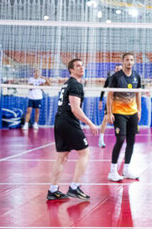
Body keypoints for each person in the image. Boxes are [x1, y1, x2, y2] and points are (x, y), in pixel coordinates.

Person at [47, 59, 98, 201]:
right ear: (71, 70)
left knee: (62, 157)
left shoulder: (67, 84)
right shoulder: (75, 84)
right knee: (85, 153)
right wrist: (90, 123)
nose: (81, 68)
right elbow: (75, 109)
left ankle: (53, 190)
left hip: (60, 121)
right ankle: (74, 187)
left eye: (82, 66)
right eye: (78, 66)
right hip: (68, 121)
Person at [106, 53, 142, 182]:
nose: (129, 62)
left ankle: (126, 170)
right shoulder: (116, 77)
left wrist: (139, 110)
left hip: (132, 113)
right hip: (119, 112)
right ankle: (112, 171)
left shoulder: (136, 76)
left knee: (131, 141)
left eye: (131, 60)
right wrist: (109, 113)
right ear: (123, 61)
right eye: (127, 60)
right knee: (120, 139)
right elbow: (110, 95)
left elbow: (138, 94)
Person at [98, 64, 122, 148]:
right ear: (115, 70)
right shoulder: (110, 78)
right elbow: (103, 90)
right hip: (110, 102)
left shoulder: (124, 79)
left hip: (120, 103)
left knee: (120, 120)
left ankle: (120, 140)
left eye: (120, 69)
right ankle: (101, 139)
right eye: (117, 69)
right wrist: (100, 101)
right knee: (106, 119)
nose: (118, 70)